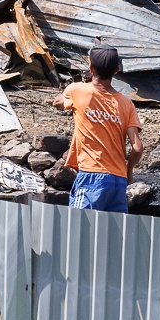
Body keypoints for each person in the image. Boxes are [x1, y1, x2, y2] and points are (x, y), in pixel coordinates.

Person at [51, 45, 142, 213]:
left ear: (91, 69)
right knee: (113, 236)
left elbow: (57, 102)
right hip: (118, 181)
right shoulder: (127, 104)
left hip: (91, 176)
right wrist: (129, 172)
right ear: (116, 70)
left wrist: (69, 96)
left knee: (79, 231)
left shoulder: (77, 90)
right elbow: (137, 147)